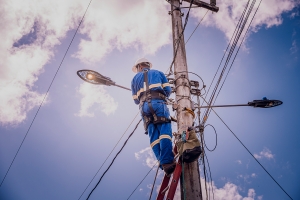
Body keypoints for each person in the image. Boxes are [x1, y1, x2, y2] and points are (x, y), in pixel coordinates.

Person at [131, 58, 176, 175]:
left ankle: (163, 164)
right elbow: (167, 90)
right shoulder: (159, 73)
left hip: (143, 108)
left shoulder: (134, 79)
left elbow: (135, 100)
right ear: (147, 65)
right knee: (164, 131)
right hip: (158, 103)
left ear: (139, 66)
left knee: (153, 136)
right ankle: (167, 161)